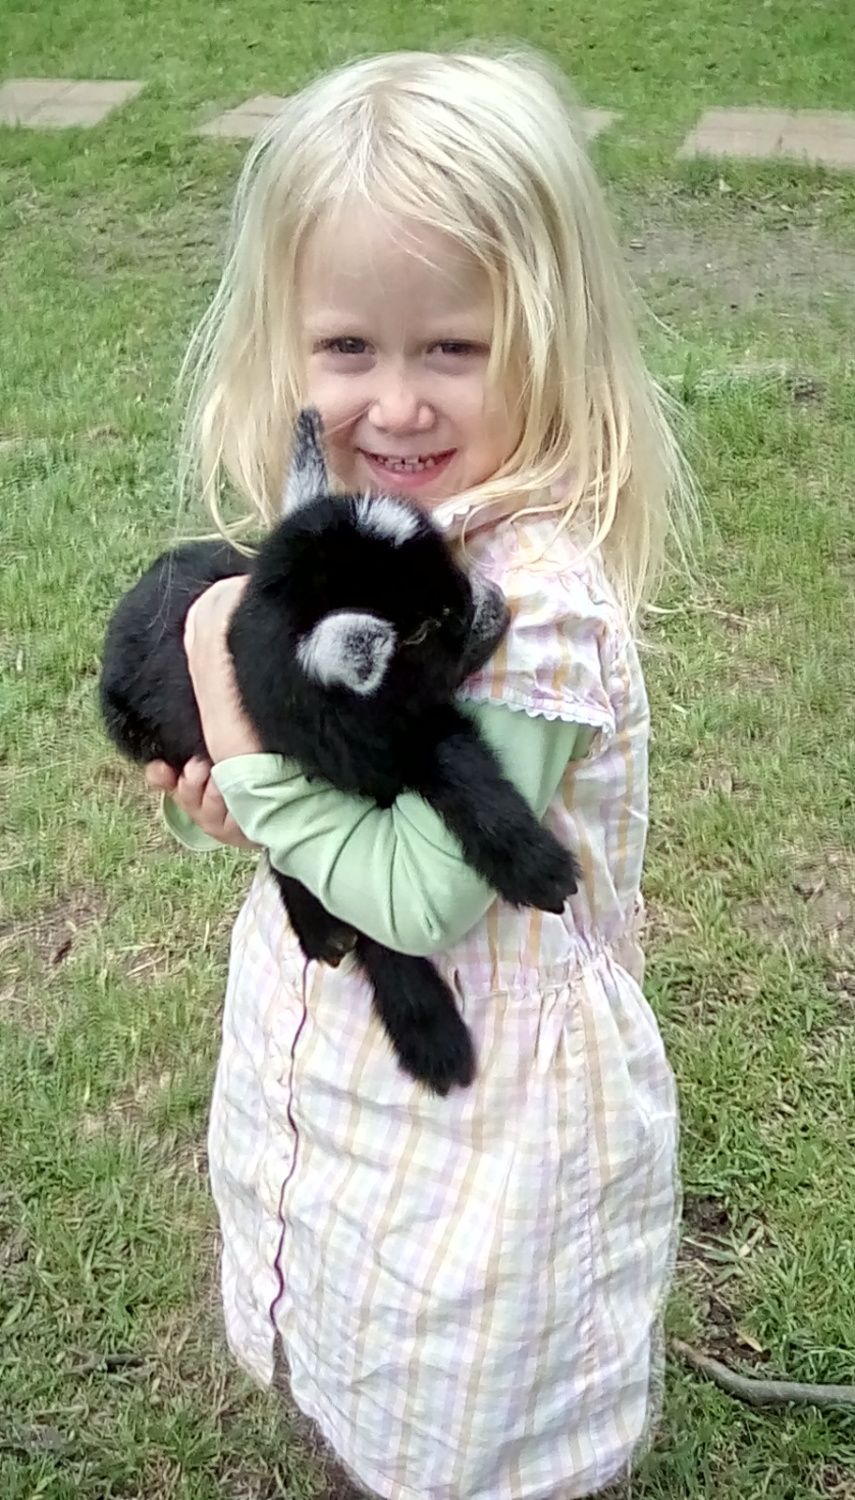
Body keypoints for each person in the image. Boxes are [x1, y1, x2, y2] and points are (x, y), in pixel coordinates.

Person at [145, 47, 696, 1500]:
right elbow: (335, 785)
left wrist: (231, 701)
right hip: (356, 1066)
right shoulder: (348, 531)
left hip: (493, 1119)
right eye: (348, 347)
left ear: (549, 342)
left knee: (477, 1403)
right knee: (373, 1334)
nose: (394, 405)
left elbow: (423, 896)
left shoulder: (532, 604)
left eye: (453, 348)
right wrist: (244, 798)